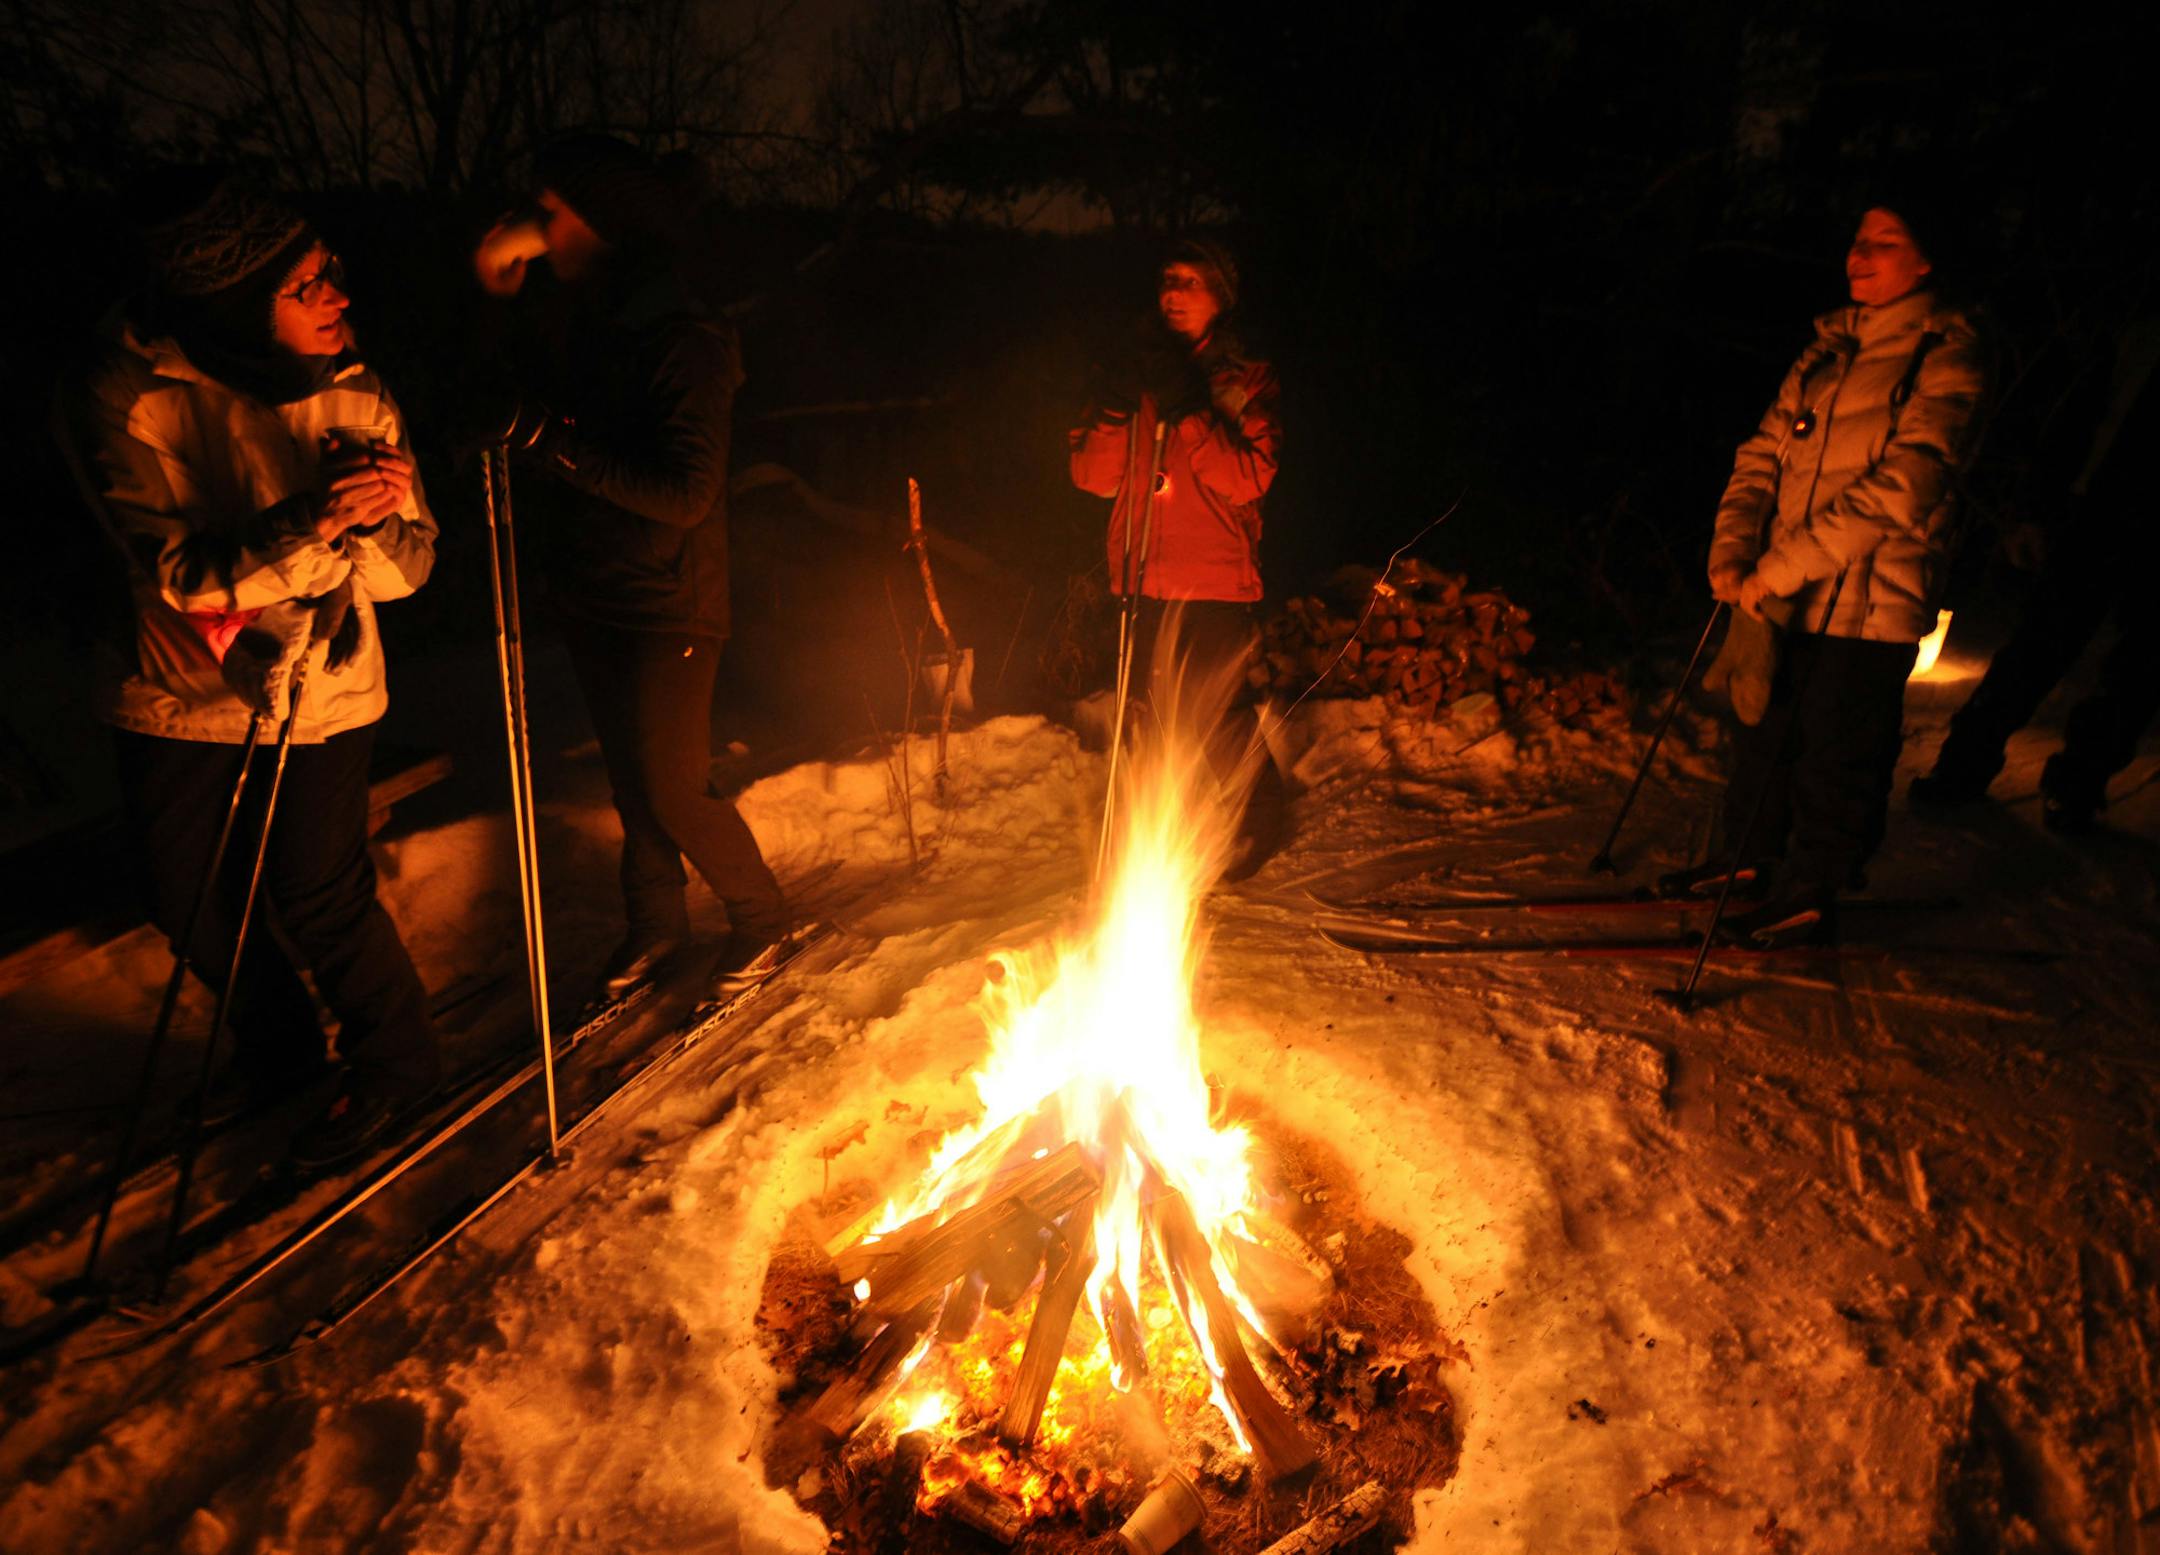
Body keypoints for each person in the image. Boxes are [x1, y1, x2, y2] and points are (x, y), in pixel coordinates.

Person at [59, 177, 443, 1164]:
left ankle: (399, 1063)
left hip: (326, 684)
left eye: (333, 277)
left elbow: (406, 574)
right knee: (188, 896)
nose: (338, 301)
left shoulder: (355, 386)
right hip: (176, 687)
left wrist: (384, 515)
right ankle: (280, 1055)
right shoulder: (128, 389)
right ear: (237, 300)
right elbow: (177, 575)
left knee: (318, 885)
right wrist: (318, 517)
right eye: (308, 285)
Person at [470, 134, 785, 1001]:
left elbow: (685, 493)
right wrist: (496, 295)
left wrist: (552, 445)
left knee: (673, 788)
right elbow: (506, 395)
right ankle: (656, 924)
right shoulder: (589, 318)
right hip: (597, 586)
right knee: (632, 783)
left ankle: (762, 918)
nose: (535, 227)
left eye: (551, 211)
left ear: (602, 225)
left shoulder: (684, 338)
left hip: (670, 598)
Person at [1674, 201, 1988, 946]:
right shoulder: (1826, 352)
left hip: (1872, 599)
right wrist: (1733, 547)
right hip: (1786, 592)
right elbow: (1760, 455)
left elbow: (1907, 484)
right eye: (1857, 239)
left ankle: (1814, 882)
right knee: (1767, 735)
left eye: (1886, 242)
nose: (1861, 253)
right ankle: (1750, 861)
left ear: (1926, 261)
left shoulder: (1947, 355)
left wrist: (1780, 565)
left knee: (1839, 748)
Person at [1068, 239, 1287, 879]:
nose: (1173, 292)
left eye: (1191, 281)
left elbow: (1247, 477)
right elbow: (1089, 475)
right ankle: (1162, 833)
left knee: (1216, 714)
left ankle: (1258, 827)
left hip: (1213, 574)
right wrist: (1114, 403)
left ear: (1221, 295)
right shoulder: (1130, 370)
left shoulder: (1246, 377)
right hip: (1140, 573)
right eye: (1168, 279)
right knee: (1151, 715)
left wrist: (1191, 409)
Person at [1908, 316, 2159, 832]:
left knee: (2137, 668)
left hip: (2122, 515)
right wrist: (2036, 508)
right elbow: (2078, 419)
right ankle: (1965, 765)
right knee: (2041, 644)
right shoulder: (2138, 331)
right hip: (2100, 510)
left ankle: (2076, 784)